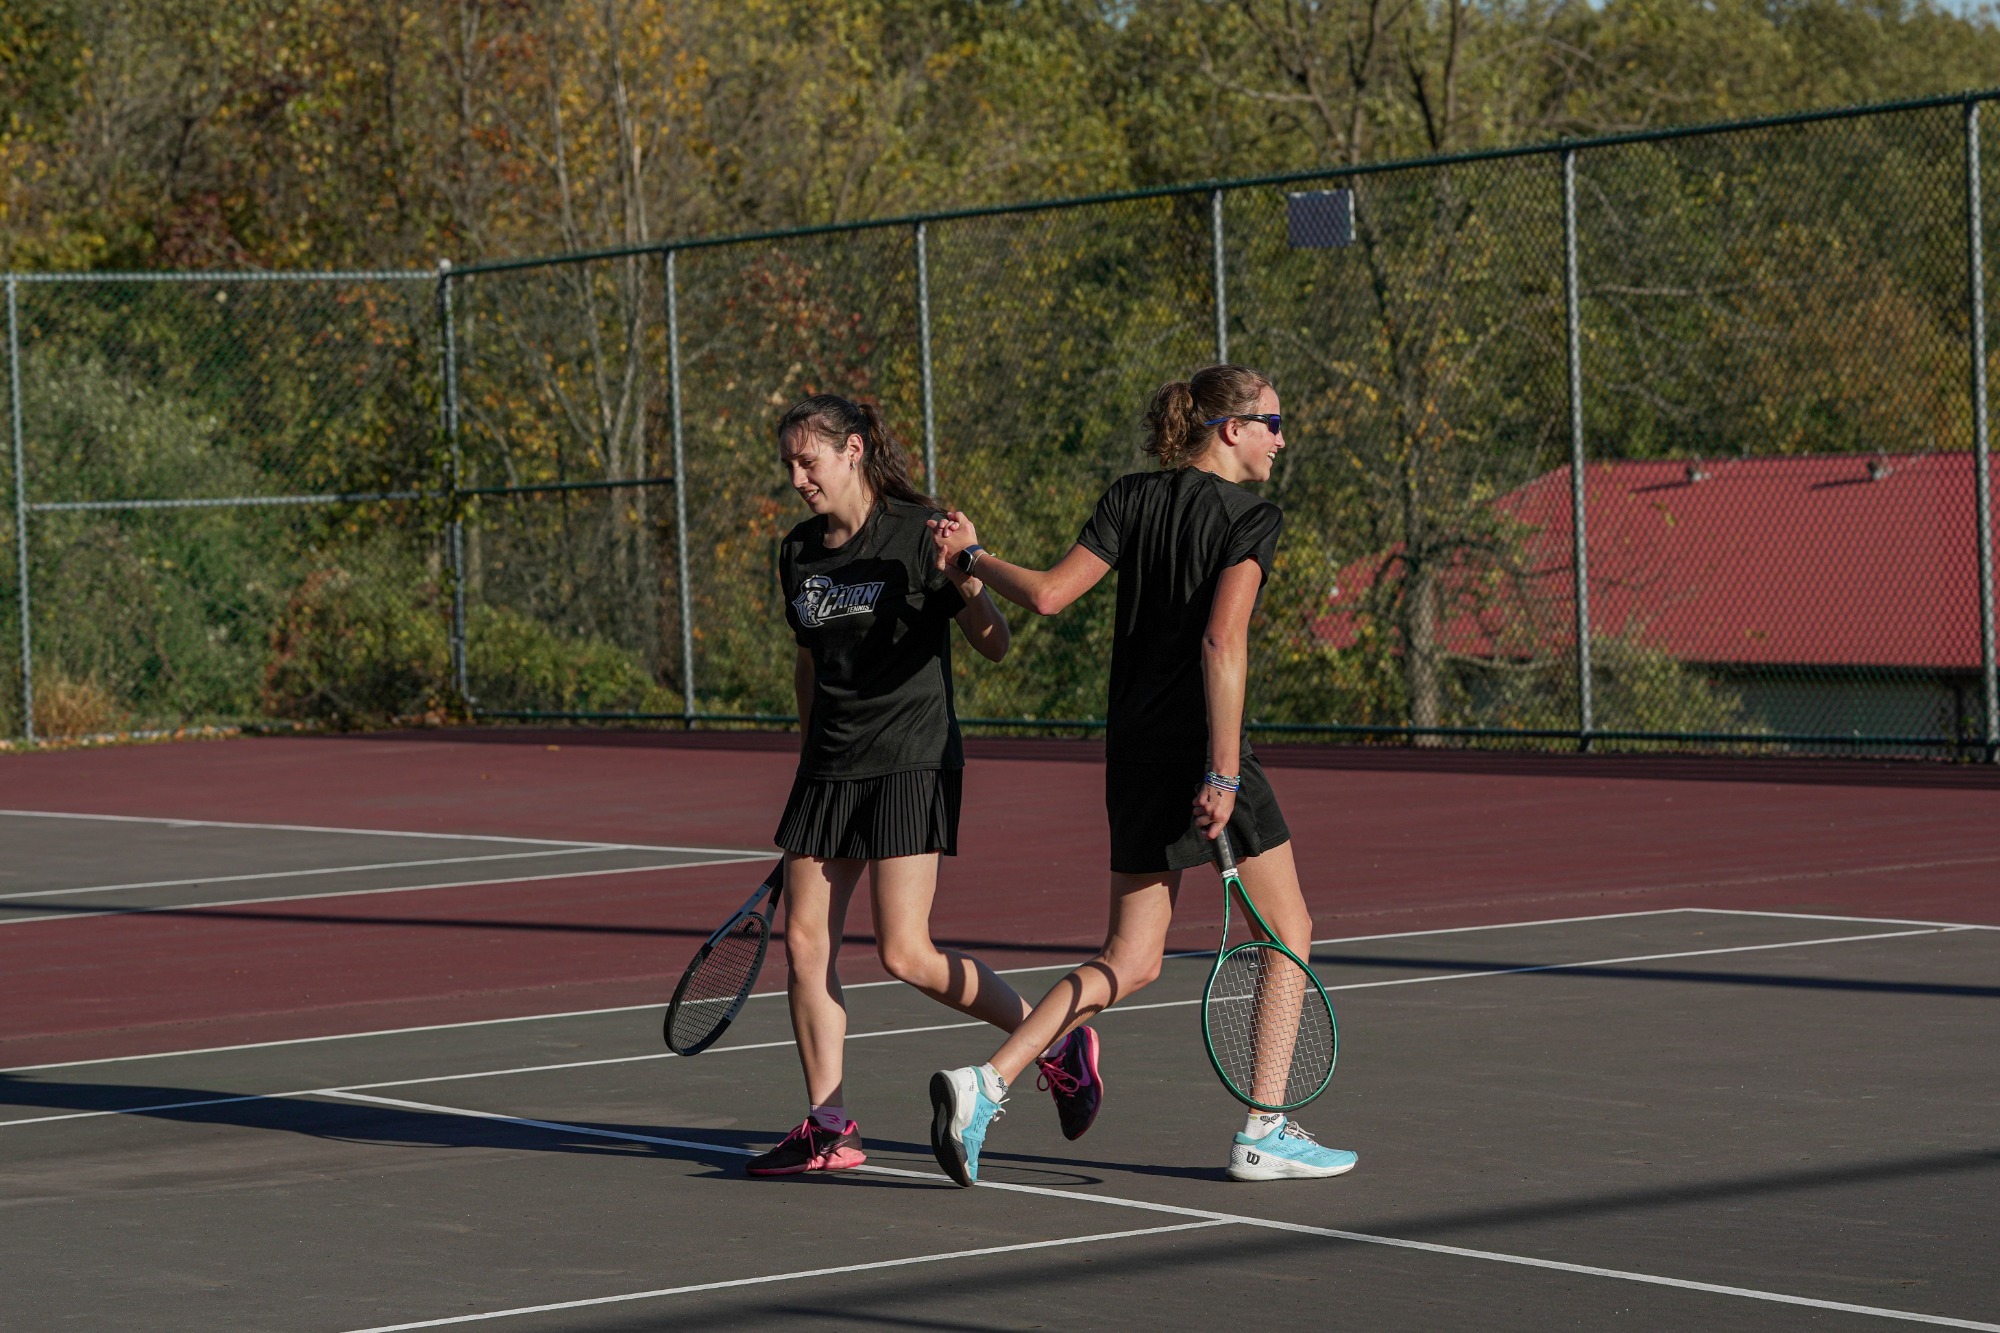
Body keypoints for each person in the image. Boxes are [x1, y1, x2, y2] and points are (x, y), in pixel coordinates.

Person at [924, 364, 1356, 1186]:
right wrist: (1225, 774)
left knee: (1132, 956)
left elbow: (1048, 597)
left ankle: (986, 1083)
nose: (1281, 436)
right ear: (1230, 429)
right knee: (1289, 931)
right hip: (1202, 750)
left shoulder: (1131, 495)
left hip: (1132, 751)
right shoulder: (1251, 515)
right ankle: (1265, 1128)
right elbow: (1222, 643)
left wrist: (975, 557)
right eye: (1271, 420)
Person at [746, 393, 1104, 1176]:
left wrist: (968, 576)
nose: (799, 477)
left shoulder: (921, 532)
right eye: (790, 465)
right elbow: (809, 664)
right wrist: (809, 765)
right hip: (829, 768)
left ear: (854, 450)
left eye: (810, 460)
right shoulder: (799, 551)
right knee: (806, 944)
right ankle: (828, 1125)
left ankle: (1054, 1042)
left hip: (910, 756)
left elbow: (996, 644)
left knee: (905, 952)